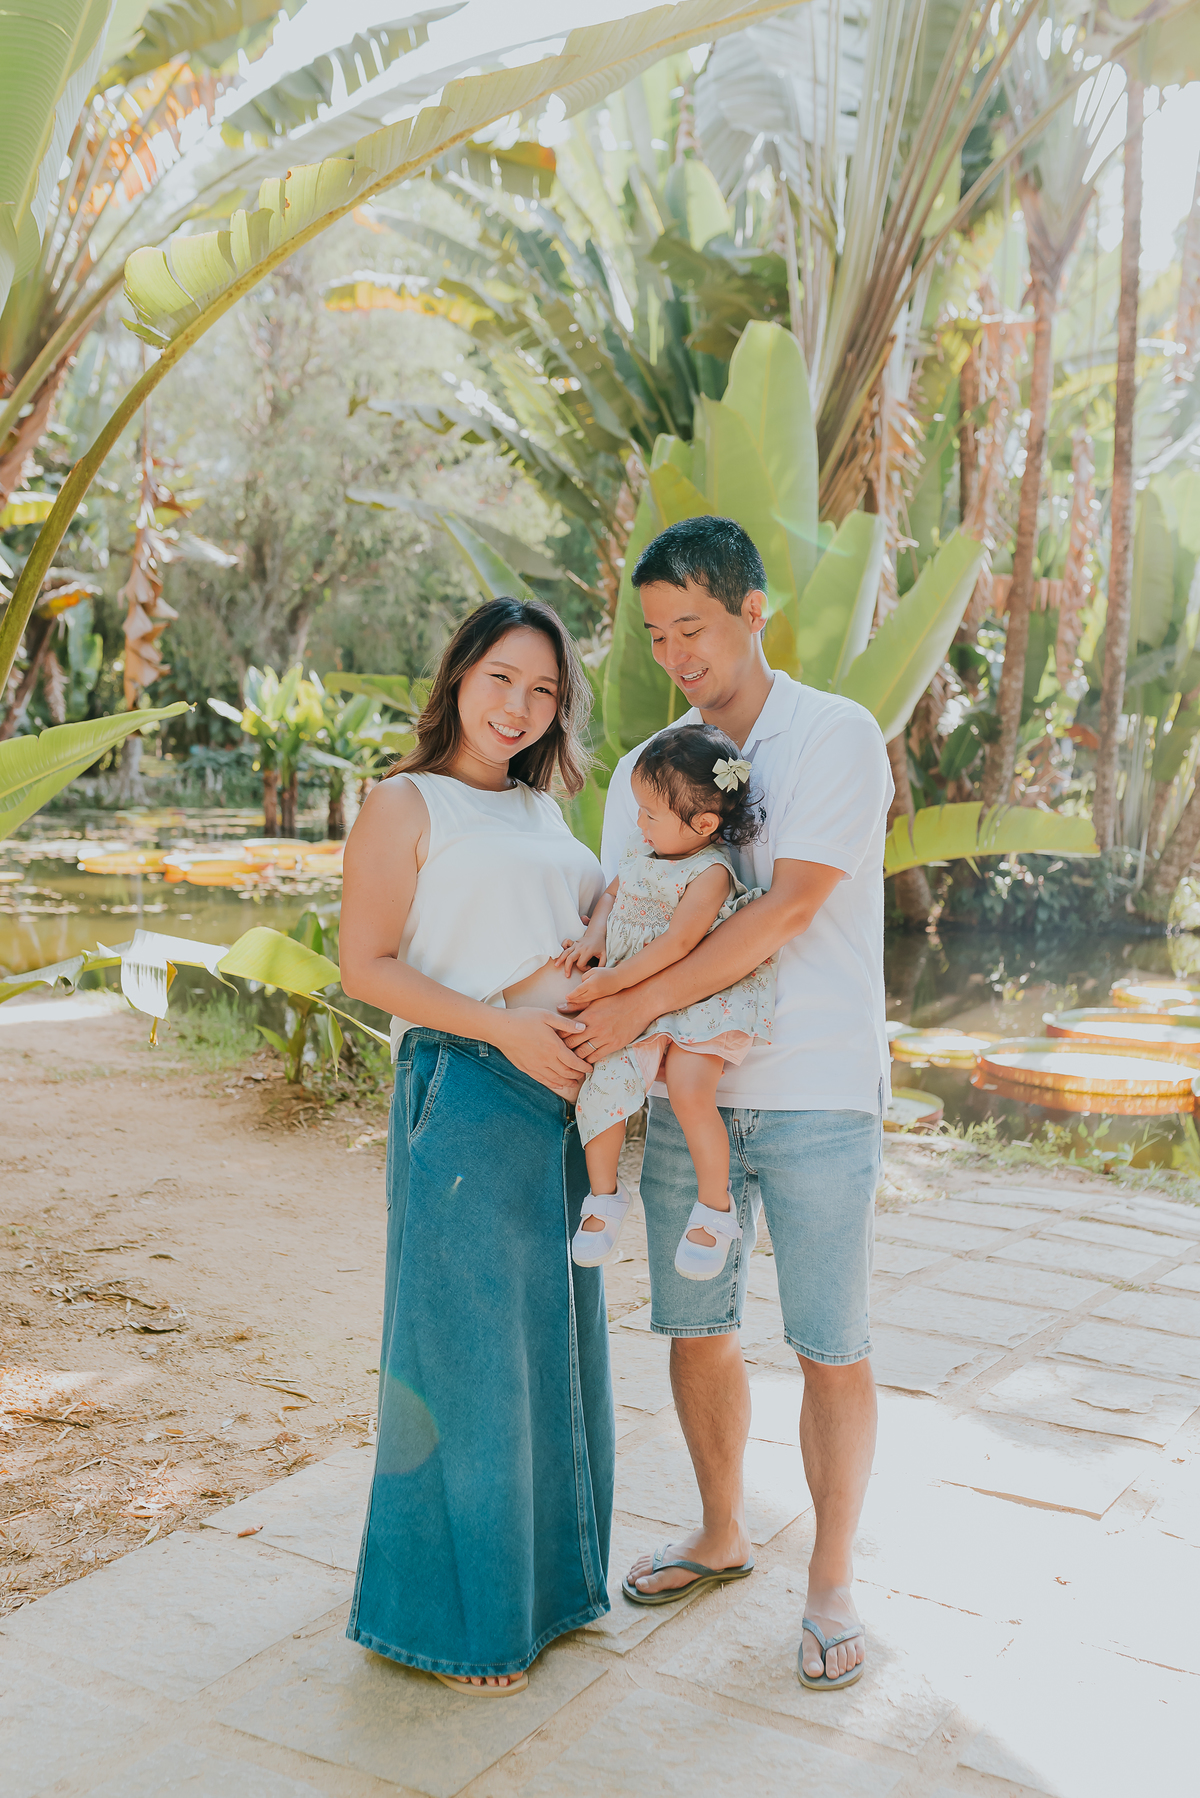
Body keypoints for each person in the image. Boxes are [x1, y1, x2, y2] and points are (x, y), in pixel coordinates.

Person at [561, 516, 893, 1692]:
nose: (676, 654)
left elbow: (784, 910)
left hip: (813, 1090)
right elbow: (623, 911)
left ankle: (834, 1578)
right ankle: (718, 1529)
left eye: (693, 626)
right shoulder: (650, 762)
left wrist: (627, 1003)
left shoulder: (839, 737)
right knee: (695, 1324)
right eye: (656, 635)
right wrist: (591, 1000)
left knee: (829, 1342)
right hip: (680, 1088)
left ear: (757, 612)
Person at [338, 598, 614, 1695]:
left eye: (543, 690)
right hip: (465, 1086)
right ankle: (452, 1626)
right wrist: (504, 1022)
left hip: (558, 1107)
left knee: (551, 1349)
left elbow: (581, 926)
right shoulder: (404, 803)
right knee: (461, 1361)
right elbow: (366, 965)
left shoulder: (546, 814)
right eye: (503, 678)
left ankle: (549, 1596)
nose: (520, 706)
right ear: (460, 675)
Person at [557, 722, 774, 1281]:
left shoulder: (712, 873)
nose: (639, 822)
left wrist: (613, 983)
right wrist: (593, 936)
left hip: (697, 993)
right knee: (603, 1081)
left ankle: (715, 1208)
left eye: (651, 814)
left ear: (703, 824)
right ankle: (604, 1199)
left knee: (688, 1089)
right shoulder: (644, 848)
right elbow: (612, 893)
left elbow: (680, 944)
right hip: (635, 984)